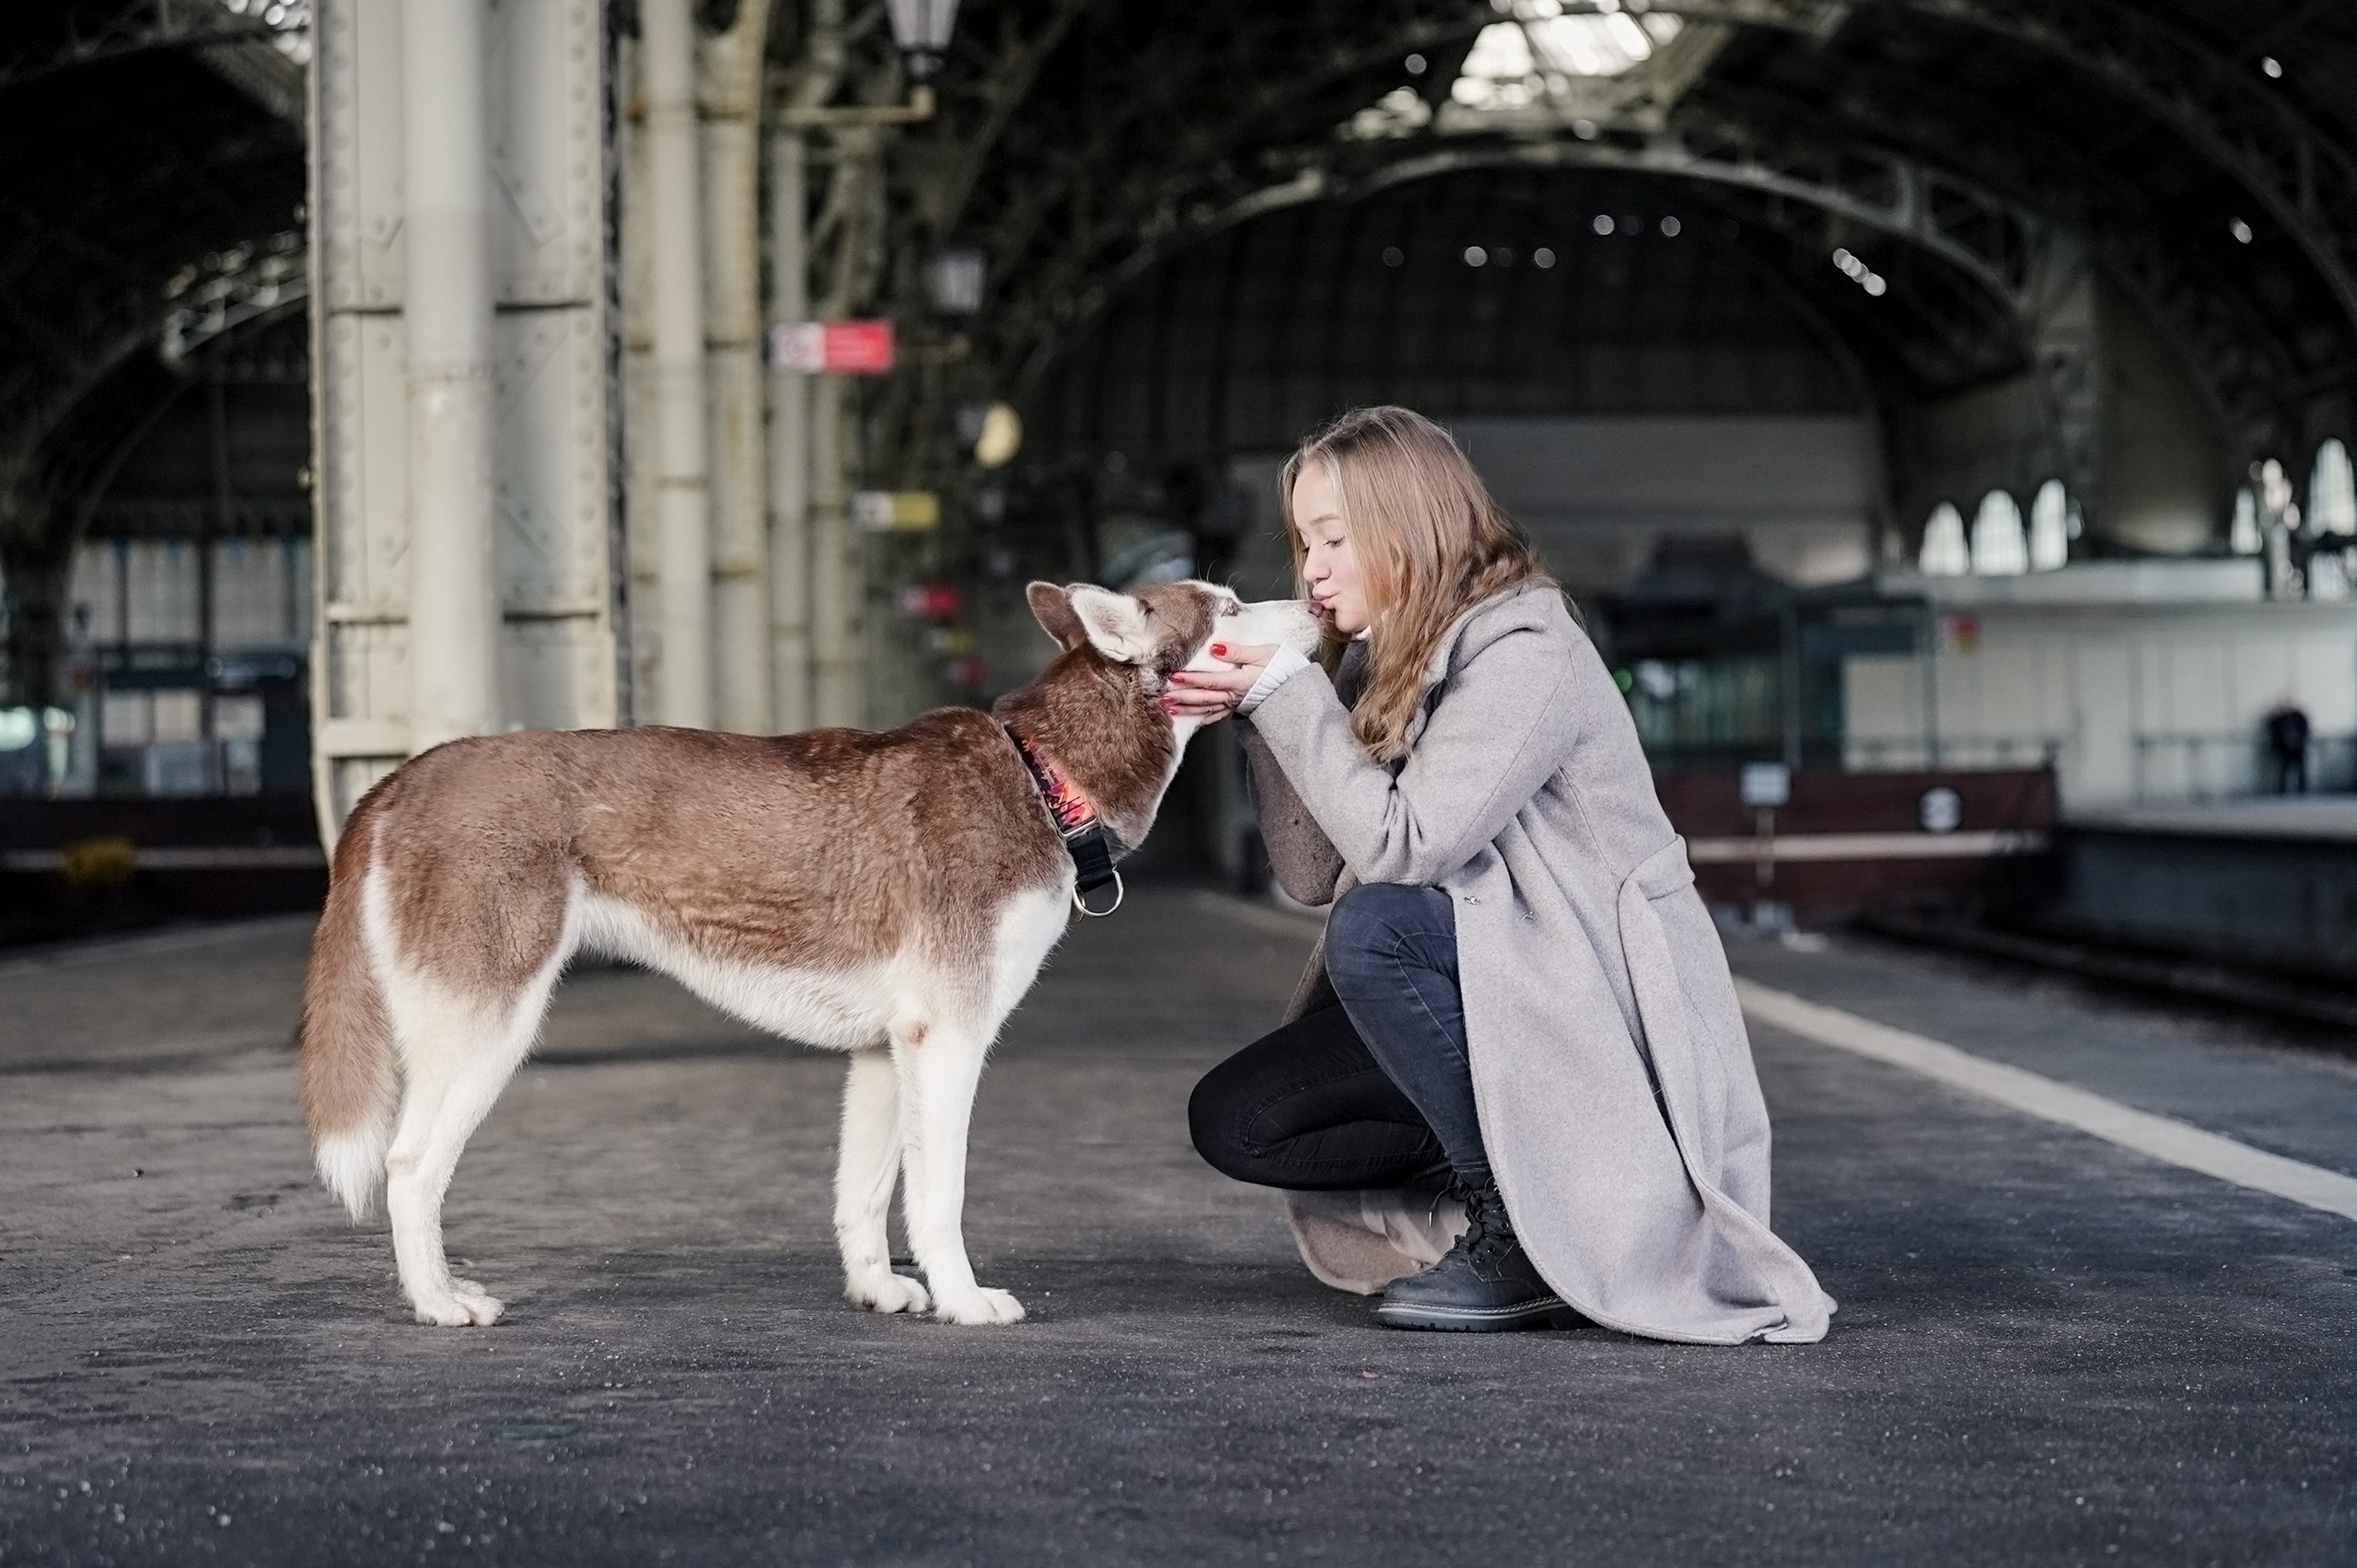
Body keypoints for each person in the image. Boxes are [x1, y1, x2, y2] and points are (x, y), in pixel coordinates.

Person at [1165, 406, 1831, 1344]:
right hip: (1494, 985)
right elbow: (1311, 870)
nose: (1308, 568)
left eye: (1332, 538)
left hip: (1590, 1001)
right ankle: (1530, 1185)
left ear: (1406, 529)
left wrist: (1288, 695)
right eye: (1301, 541)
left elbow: (1408, 848)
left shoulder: (1524, 648)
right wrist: (1272, 702)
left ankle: (1519, 1232)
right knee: (1240, 1118)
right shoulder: (1371, 658)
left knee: (1380, 926)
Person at [2266, 697, 2310, 795]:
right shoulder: (2279, 718)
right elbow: (2273, 731)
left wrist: (2297, 741)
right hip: (2284, 749)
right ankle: (2281, 791)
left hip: (2298, 748)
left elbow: (2305, 730)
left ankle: (2302, 790)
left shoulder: (2299, 716)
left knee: (2301, 770)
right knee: (2283, 771)